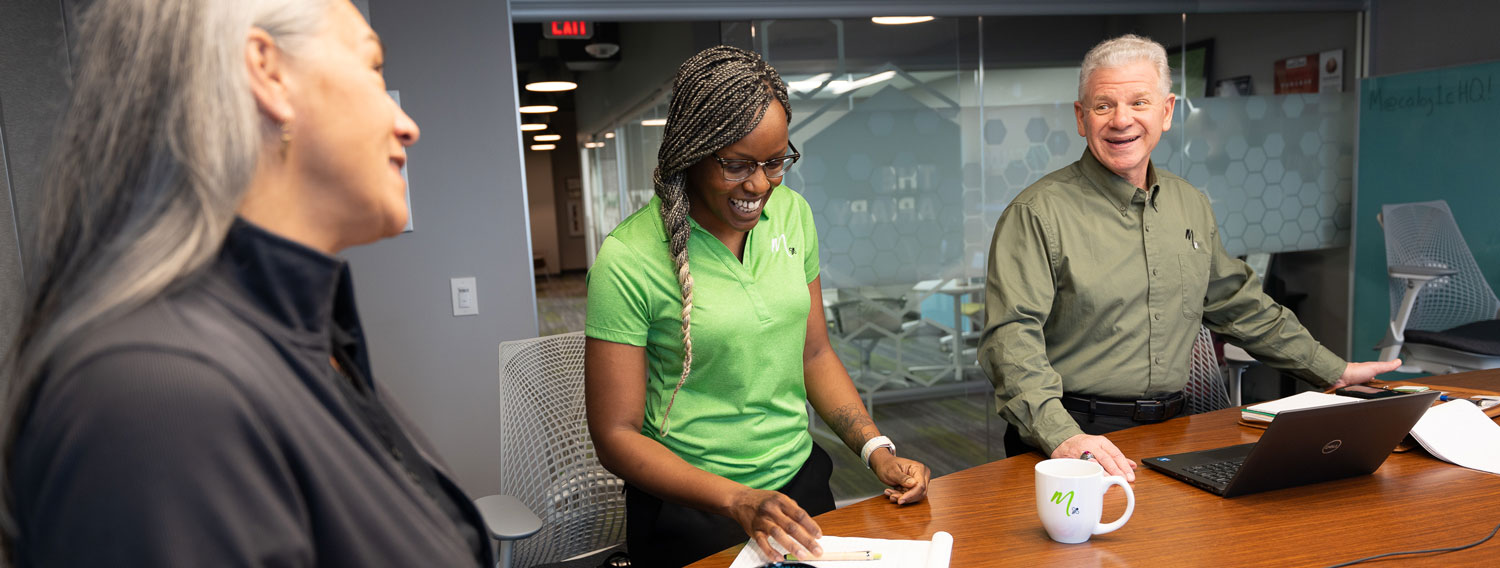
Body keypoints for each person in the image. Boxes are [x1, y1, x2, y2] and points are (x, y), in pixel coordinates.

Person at [1, 1, 492, 565]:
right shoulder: (160, 400)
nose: (407, 125)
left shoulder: (310, 345)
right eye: (374, 67)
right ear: (268, 72)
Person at [979, 34, 1400, 482]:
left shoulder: (1189, 204)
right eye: (1103, 106)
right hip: (1073, 436)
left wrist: (1334, 371)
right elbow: (1010, 339)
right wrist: (1062, 436)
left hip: (1175, 431)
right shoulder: (1038, 212)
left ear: (1166, 112)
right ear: (1081, 118)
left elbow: (1240, 305)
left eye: (1139, 102)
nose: (1122, 120)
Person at [585, 45, 932, 567]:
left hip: (797, 490)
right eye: (737, 165)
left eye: (775, 162)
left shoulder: (792, 215)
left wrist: (875, 450)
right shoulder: (628, 258)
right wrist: (737, 499)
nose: (759, 184)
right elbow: (614, 437)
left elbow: (813, 354)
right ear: (690, 151)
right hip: (693, 510)